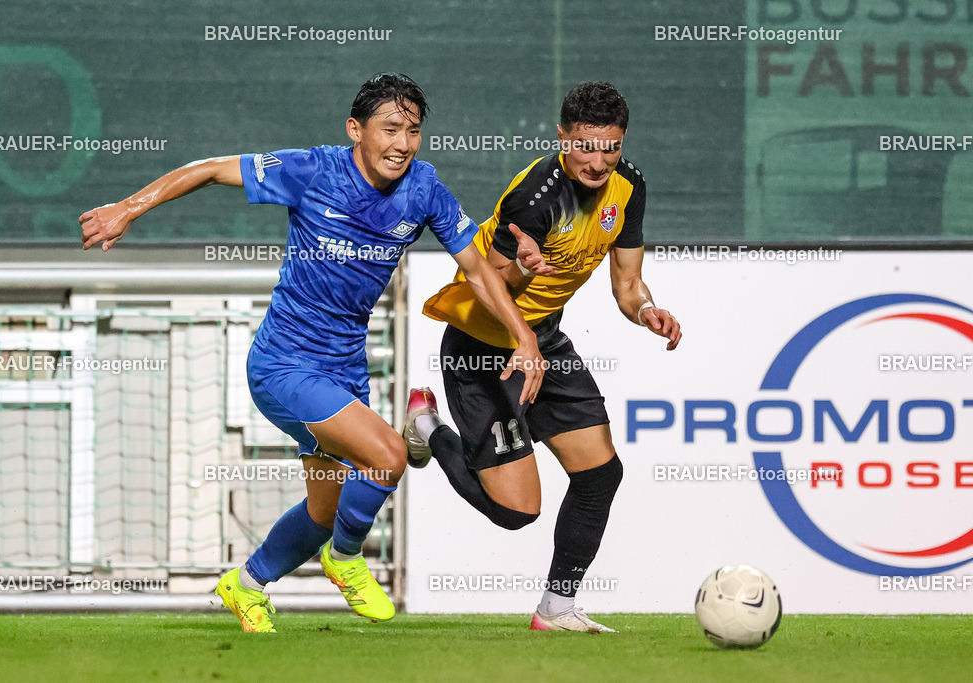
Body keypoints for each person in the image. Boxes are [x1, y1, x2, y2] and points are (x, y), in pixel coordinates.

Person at [79, 73, 544, 632]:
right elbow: (206, 170)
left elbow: (475, 269)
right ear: (356, 130)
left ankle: (246, 584)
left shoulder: (424, 190)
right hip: (284, 365)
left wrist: (524, 335)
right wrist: (130, 207)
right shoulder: (313, 170)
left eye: (413, 131)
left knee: (324, 512)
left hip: (345, 369)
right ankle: (347, 561)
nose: (402, 143)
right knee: (390, 455)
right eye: (390, 128)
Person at [405, 82, 682, 633]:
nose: (599, 161)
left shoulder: (629, 188)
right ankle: (426, 426)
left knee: (600, 474)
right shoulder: (534, 197)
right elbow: (488, 282)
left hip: (544, 341)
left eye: (611, 147)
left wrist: (647, 309)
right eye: (585, 145)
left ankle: (557, 607)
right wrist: (522, 269)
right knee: (516, 512)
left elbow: (628, 284)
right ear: (562, 137)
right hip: (485, 348)